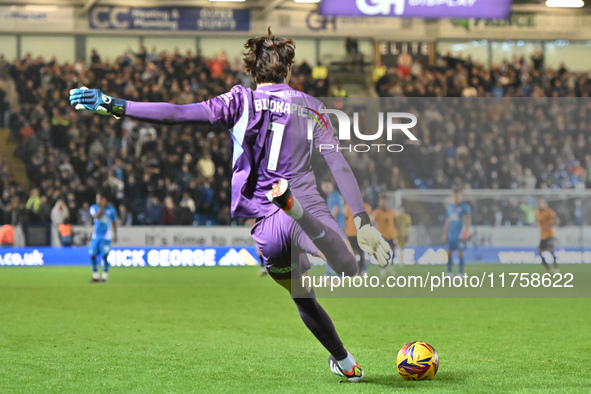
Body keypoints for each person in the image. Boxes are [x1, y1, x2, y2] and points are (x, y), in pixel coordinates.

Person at [69, 27, 391, 383]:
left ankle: (346, 363)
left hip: (264, 225)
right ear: (288, 69)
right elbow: (339, 165)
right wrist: (362, 219)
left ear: (252, 70)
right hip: (304, 208)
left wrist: (113, 104)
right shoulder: (311, 107)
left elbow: (175, 114)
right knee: (348, 267)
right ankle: (298, 212)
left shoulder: (237, 101)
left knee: (302, 296)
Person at [89, 190, 118, 283]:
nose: (98, 200)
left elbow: (114, 222)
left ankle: (105, 277)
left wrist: (115, 234)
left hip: (106, 236)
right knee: (92, 255)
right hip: (96, 236)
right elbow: (96, 216)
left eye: (101, 199)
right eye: (97, 198)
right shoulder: (93, 208)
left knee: (105, 256)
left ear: (105, 199)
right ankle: (95, 276)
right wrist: (102, 208)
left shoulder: (111, 210)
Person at [442, 190, 471, 277]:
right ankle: (449, 273)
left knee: (460, 253)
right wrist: (445, 233)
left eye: (457, 196)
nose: (456, 198)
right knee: (449, 253)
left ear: (460, 197)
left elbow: (468, 220)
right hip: (451, 235)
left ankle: (460, 273)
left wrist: (466, 232)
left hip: (460, 235)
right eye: (454, 196)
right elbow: (447, 221)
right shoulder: (450, 208)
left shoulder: (465, 207)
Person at [344, 202, 372, 276]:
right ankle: (353, 271)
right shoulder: (347, 206)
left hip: (361, 232)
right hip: (350, 233)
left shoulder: (366, 206)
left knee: (361, 253)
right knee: (351, 253)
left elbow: (368, 220)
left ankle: (362, 270)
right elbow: (345, 218)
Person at [373, 195, 397, 277]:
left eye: (384, 201)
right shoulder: (377, 212)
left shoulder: (391, 211)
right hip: (381, 236)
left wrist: (399, 232)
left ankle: (391, 266)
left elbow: (396, 222)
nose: (383, 203)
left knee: (393, 251)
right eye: (381, 201)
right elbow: (371, 221)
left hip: (391, 235)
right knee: (382, 253)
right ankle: (382, 268)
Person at [535, 198, 559, 273]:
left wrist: (548, 226)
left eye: (540, 203)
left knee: (551, 250)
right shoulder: (537, 212)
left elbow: (557, 220)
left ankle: (556, 268)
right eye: (538, 203)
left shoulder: (549, 211)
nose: (539, 204)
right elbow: (539, 222)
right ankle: (548, 269)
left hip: (550, 234)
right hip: (543, 235)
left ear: (544, 204)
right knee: (540, 252)